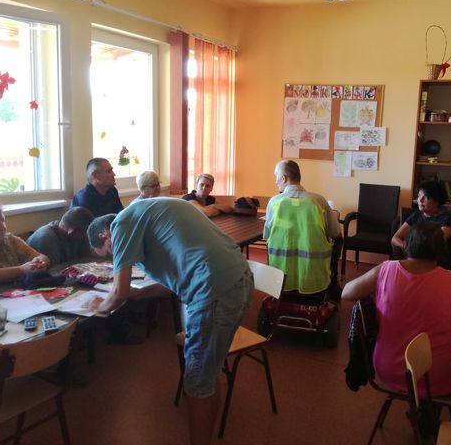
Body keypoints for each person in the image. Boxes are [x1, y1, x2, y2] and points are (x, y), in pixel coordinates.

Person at [85, 198, 253, 445]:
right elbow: (174, 283)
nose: (116, 257)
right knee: (208, 376)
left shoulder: (121, 224)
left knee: (196, 385)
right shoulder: (145, 212)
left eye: (109, 253)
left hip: (214, 292)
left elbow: (118, 293)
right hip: (238, 279)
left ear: (104, 235)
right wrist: (138, 294)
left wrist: (97, 308)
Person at [342, 222, 451, 396]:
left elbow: (346, 292)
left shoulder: (384, 270)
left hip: (388, 369)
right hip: (437, 375)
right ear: (440, 250)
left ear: (406, 245)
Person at [264, 159, 342, 297]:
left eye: (276, 177)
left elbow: (266, 235)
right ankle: (333, 283)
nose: (276, 181)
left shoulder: (274, 202)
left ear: (284, 178)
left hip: (282, 278)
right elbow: (335, 232)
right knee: (339, 239)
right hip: (313, 277)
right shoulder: (319, 201)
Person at [391, 180, 451, 270]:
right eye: (419, 196)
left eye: (426, 197)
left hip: (440, 264)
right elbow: (395, 238)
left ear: (437, 201)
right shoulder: (416, 215)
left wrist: (412, 250)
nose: (420, 200)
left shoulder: (447, 218)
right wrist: (407, 246)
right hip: (416, 261)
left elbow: (435, 245)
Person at [27, 206, 94, 266]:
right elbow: (52, 271)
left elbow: (86, 257)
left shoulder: (79, 232)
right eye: (84, 233)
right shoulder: (46, 239)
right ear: (71, 231)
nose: (86, 236)